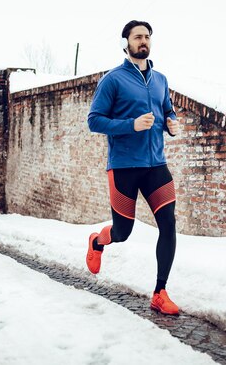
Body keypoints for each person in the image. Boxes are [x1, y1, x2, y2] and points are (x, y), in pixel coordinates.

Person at [86, 20, 181, 315]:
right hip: (124, 166)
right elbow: (94, 120)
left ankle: (159, 292)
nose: (144, 41)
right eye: (138, 36)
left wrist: (171, 123)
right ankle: (97, 241)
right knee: (123, 231)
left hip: (156, 166)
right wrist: (131, 125)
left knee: (168, 224)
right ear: (125, 42)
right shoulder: (113, 80)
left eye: (147, 37)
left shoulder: (161, 79)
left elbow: (167, 109)